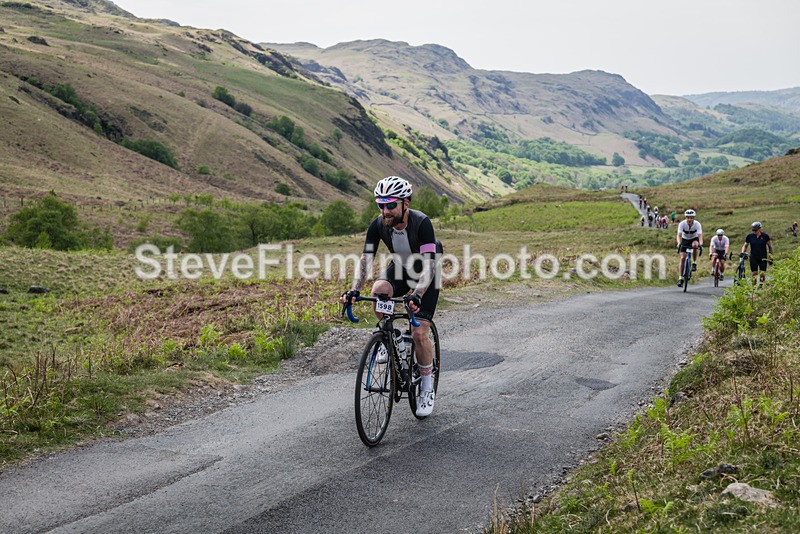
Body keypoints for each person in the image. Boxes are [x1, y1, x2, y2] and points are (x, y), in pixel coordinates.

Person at [341, 176, 441, 417]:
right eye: (381, 205)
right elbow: (366, 259)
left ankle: (426, 387)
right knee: (378, 291)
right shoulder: (378, 224)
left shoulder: (422, 223)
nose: (385, 211)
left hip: (426, 275)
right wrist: (354, 289)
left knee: (419, 333)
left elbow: (429, 266)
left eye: (390, 205)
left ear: (405, 204)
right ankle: (389, 335)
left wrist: (417, 294)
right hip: (400, 268)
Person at [676, 209, 703, 287]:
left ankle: (694, 262)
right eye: (688, 217)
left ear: (693, 218)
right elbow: (679, 235)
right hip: (684, 240)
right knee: (682, 258)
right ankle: (680, 278)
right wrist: (679, 243)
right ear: (686, 217)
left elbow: (700, 236)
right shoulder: (682, 224)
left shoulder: (697, 224)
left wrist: (700, 244)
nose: (689, 219)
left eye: (691, 218)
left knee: (695, 245)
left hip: (694, 239)